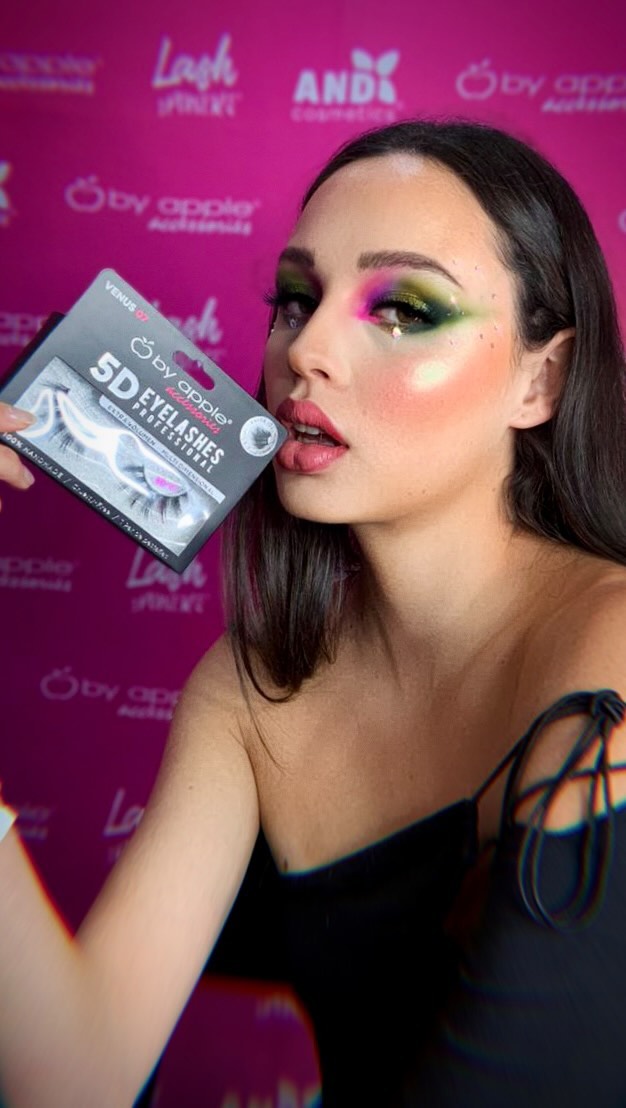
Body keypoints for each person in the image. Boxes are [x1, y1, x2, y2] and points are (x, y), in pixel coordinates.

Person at [2, 117, 626, 1108]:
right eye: (296, 299)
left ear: (537, 379)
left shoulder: (610, 639)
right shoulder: (250, 691)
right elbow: (72, 1080)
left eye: (403, 309)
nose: (308, 349)